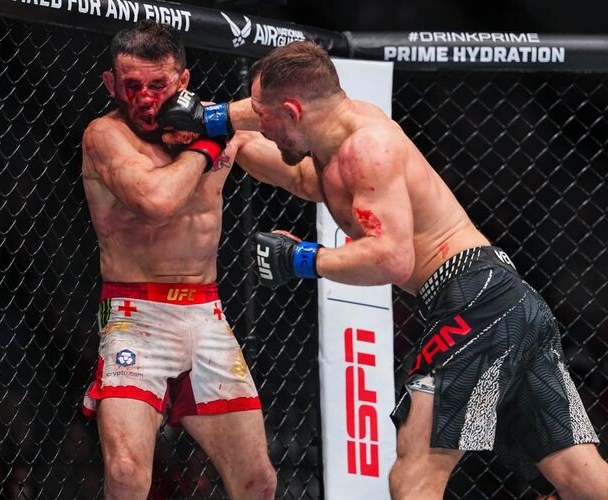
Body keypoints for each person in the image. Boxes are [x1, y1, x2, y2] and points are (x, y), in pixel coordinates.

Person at [160, 40, 608, 499]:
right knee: (580, 477)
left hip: (474, 304)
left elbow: (393, 257)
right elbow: (295, 170)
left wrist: (302, 259)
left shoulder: (367, 150)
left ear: (292, 111)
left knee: (414, 477)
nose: (261, 127)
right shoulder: (335, 137)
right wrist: (214, 123)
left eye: (263, 117)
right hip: (505, 300)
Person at [79, 20, 277, 500]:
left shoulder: (220, 125)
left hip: (205, 313)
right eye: (132, 86)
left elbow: (302, 173)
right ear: (110, 84)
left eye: (158, 85)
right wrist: (209, 143)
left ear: (183, 80)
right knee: (126, 474)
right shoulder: (105, 136)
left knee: (257, 481)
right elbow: (157, 201)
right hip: (135, 313)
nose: (146, 99)